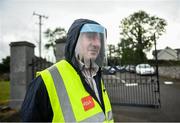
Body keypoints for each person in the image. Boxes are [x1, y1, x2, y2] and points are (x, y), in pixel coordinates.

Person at [21, 19, 113, 122]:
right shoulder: (45, 81)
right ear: (75, 41)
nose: (97, 44)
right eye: (90, 37)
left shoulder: (95, 75)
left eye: (99, 38)